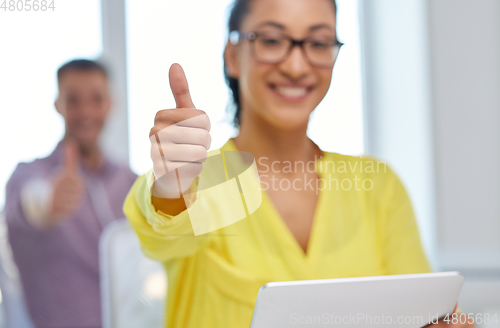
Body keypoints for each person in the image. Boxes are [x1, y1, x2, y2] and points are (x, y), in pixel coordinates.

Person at [124, 0, 473, 327]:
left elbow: (423, 314)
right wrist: (171, 186)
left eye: (319, 43)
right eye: (272, 40)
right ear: (232, 55)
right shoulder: (200, 182)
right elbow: (160, 229)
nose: (296, 65)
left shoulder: (378, 187)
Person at [5, 59, 137, 328]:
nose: (85, 111)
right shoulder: (32, 174)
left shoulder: (129, 181)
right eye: (73, 100)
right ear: (58, 105)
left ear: (110, 104)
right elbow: (28, 202)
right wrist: (47, 203)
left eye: (96, 99)